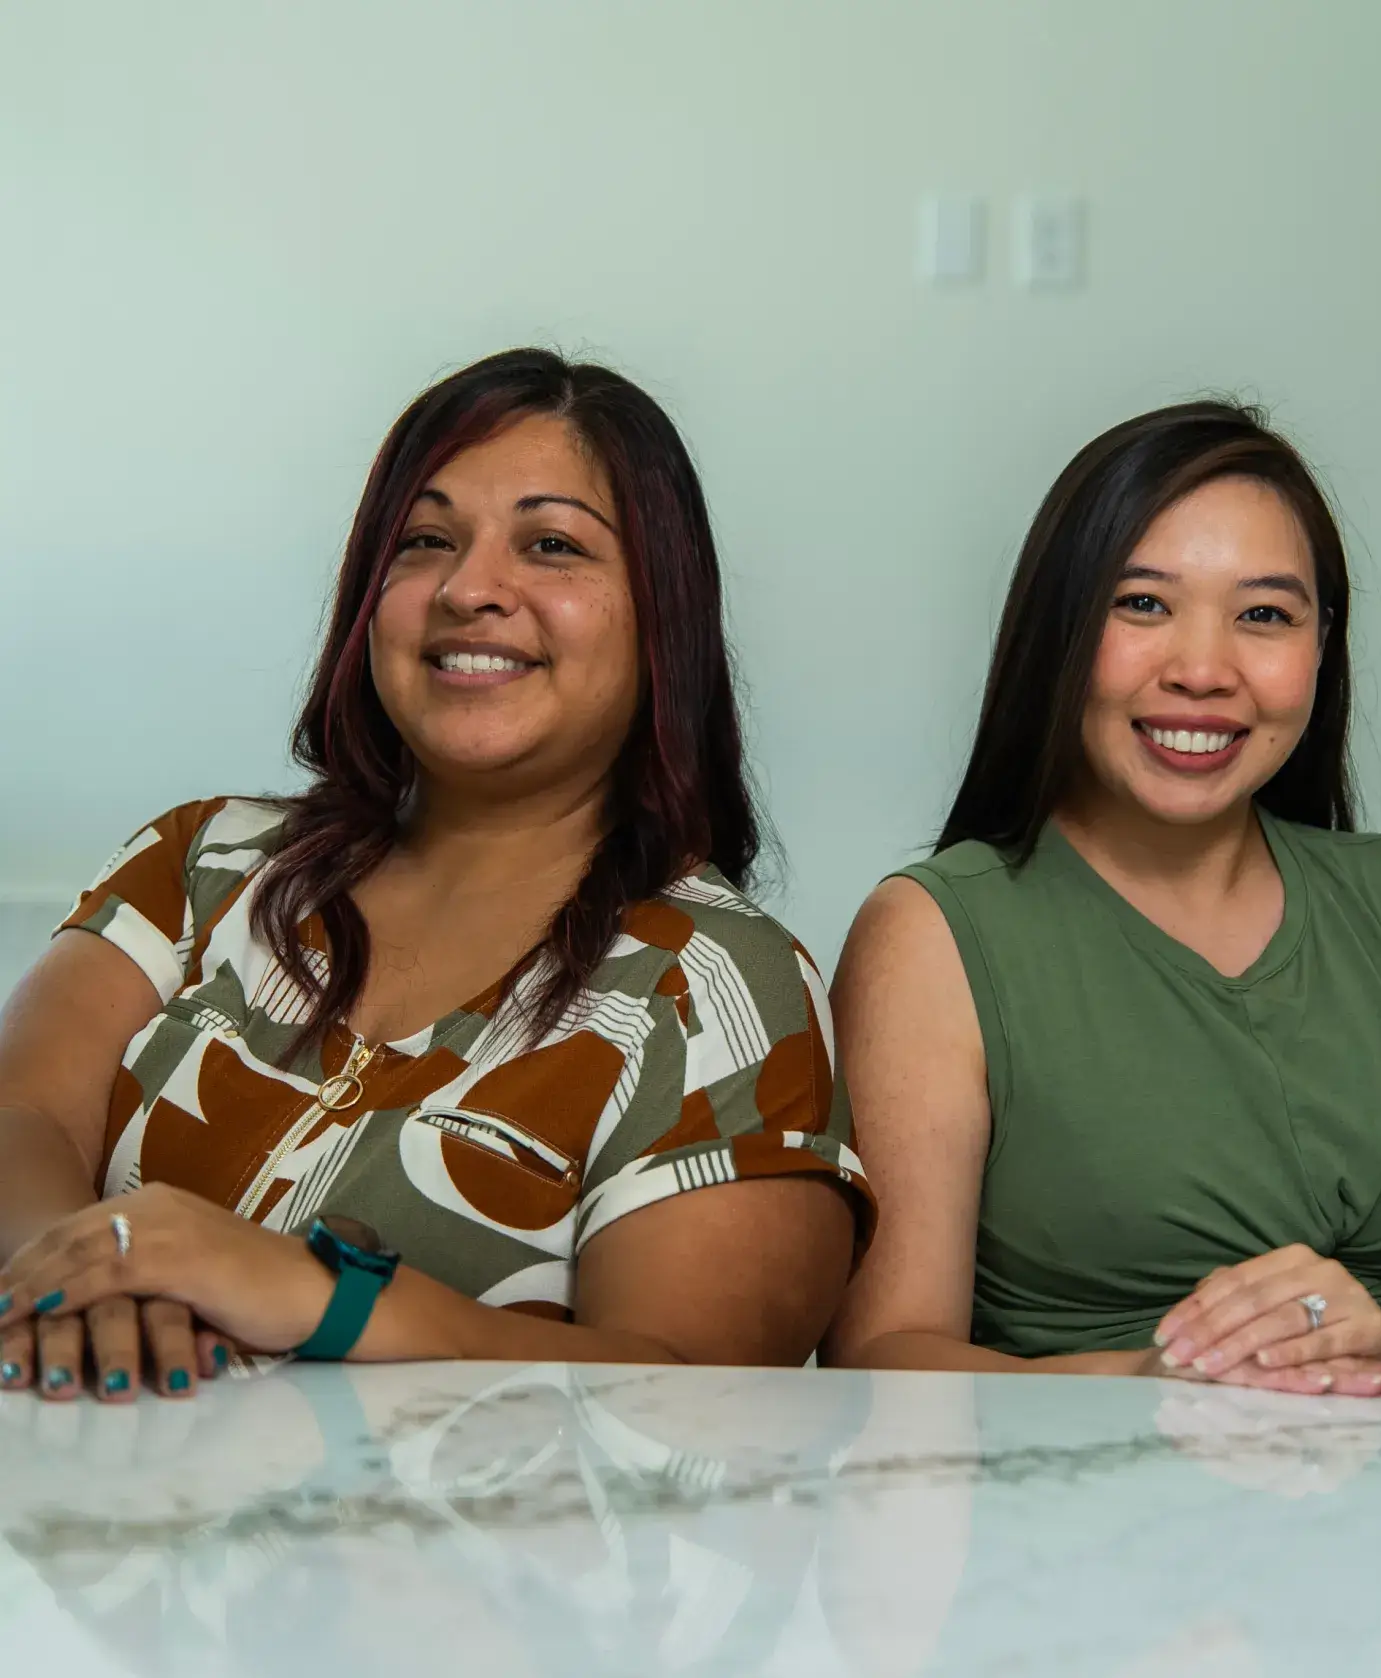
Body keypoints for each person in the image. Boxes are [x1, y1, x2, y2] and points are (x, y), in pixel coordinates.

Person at [0, 348, 871, 1402]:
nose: (469, 589)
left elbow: (702, 1403)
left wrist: (331, 1299)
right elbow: (25, 1120)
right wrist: (95, 1268)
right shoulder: (199, 862)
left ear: (662, 619)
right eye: (424, 542)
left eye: (552, 545)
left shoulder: (717, 986)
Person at [825, 400, 1381, 1396]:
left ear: (1323, 648)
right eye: (1141, 603)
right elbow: (876, 1356)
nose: (1201, 669)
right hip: (1076, 1519)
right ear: (1059, 628)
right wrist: (1163, 1380)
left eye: (1264, 614)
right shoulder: (929, 933)